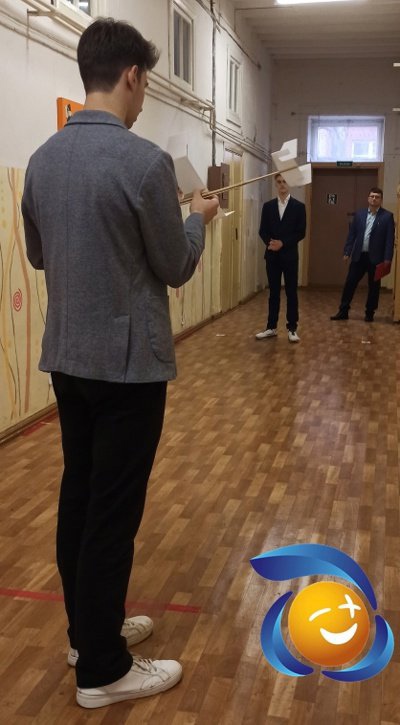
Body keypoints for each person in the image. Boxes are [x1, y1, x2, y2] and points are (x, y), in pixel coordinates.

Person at [22, 18, 219, 710]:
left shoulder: (42, 160)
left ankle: (88, 633)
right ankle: (103, 670)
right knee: (112, 513)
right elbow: (176, 264)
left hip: (67, 362)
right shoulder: (144, 163)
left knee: (80, 496)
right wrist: (198, 217)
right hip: (129, 370)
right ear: (132, 76)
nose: (143, 99)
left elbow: (39, 254)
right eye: (146, 85)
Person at [330, 187, 394, 322]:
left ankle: (370, 313)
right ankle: (343, 310)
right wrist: (347, 252)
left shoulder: (387, 216)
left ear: (381, 200)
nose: (374, 199)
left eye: (377, 197)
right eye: (372, 196)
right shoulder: (360, 214)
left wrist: (388, 258)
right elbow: (352, 235)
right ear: (368, 198)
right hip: (359, 256)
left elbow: (389, 239)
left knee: (374, 287)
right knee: (350, 283)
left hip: (376, 258)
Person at [256, 173, 306, 343]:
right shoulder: (268, 206)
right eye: (279, 182)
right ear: (275, 184)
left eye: (285, 181)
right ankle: (271, 327)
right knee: (274, 293)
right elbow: (262, 230)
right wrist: (271, 243)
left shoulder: (299, 207)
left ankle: (292, 328)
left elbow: (301, 232)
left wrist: (283, 243)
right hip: (272, 255)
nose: (282, 184)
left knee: (291, 292)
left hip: (290, 256)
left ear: (289, 184)